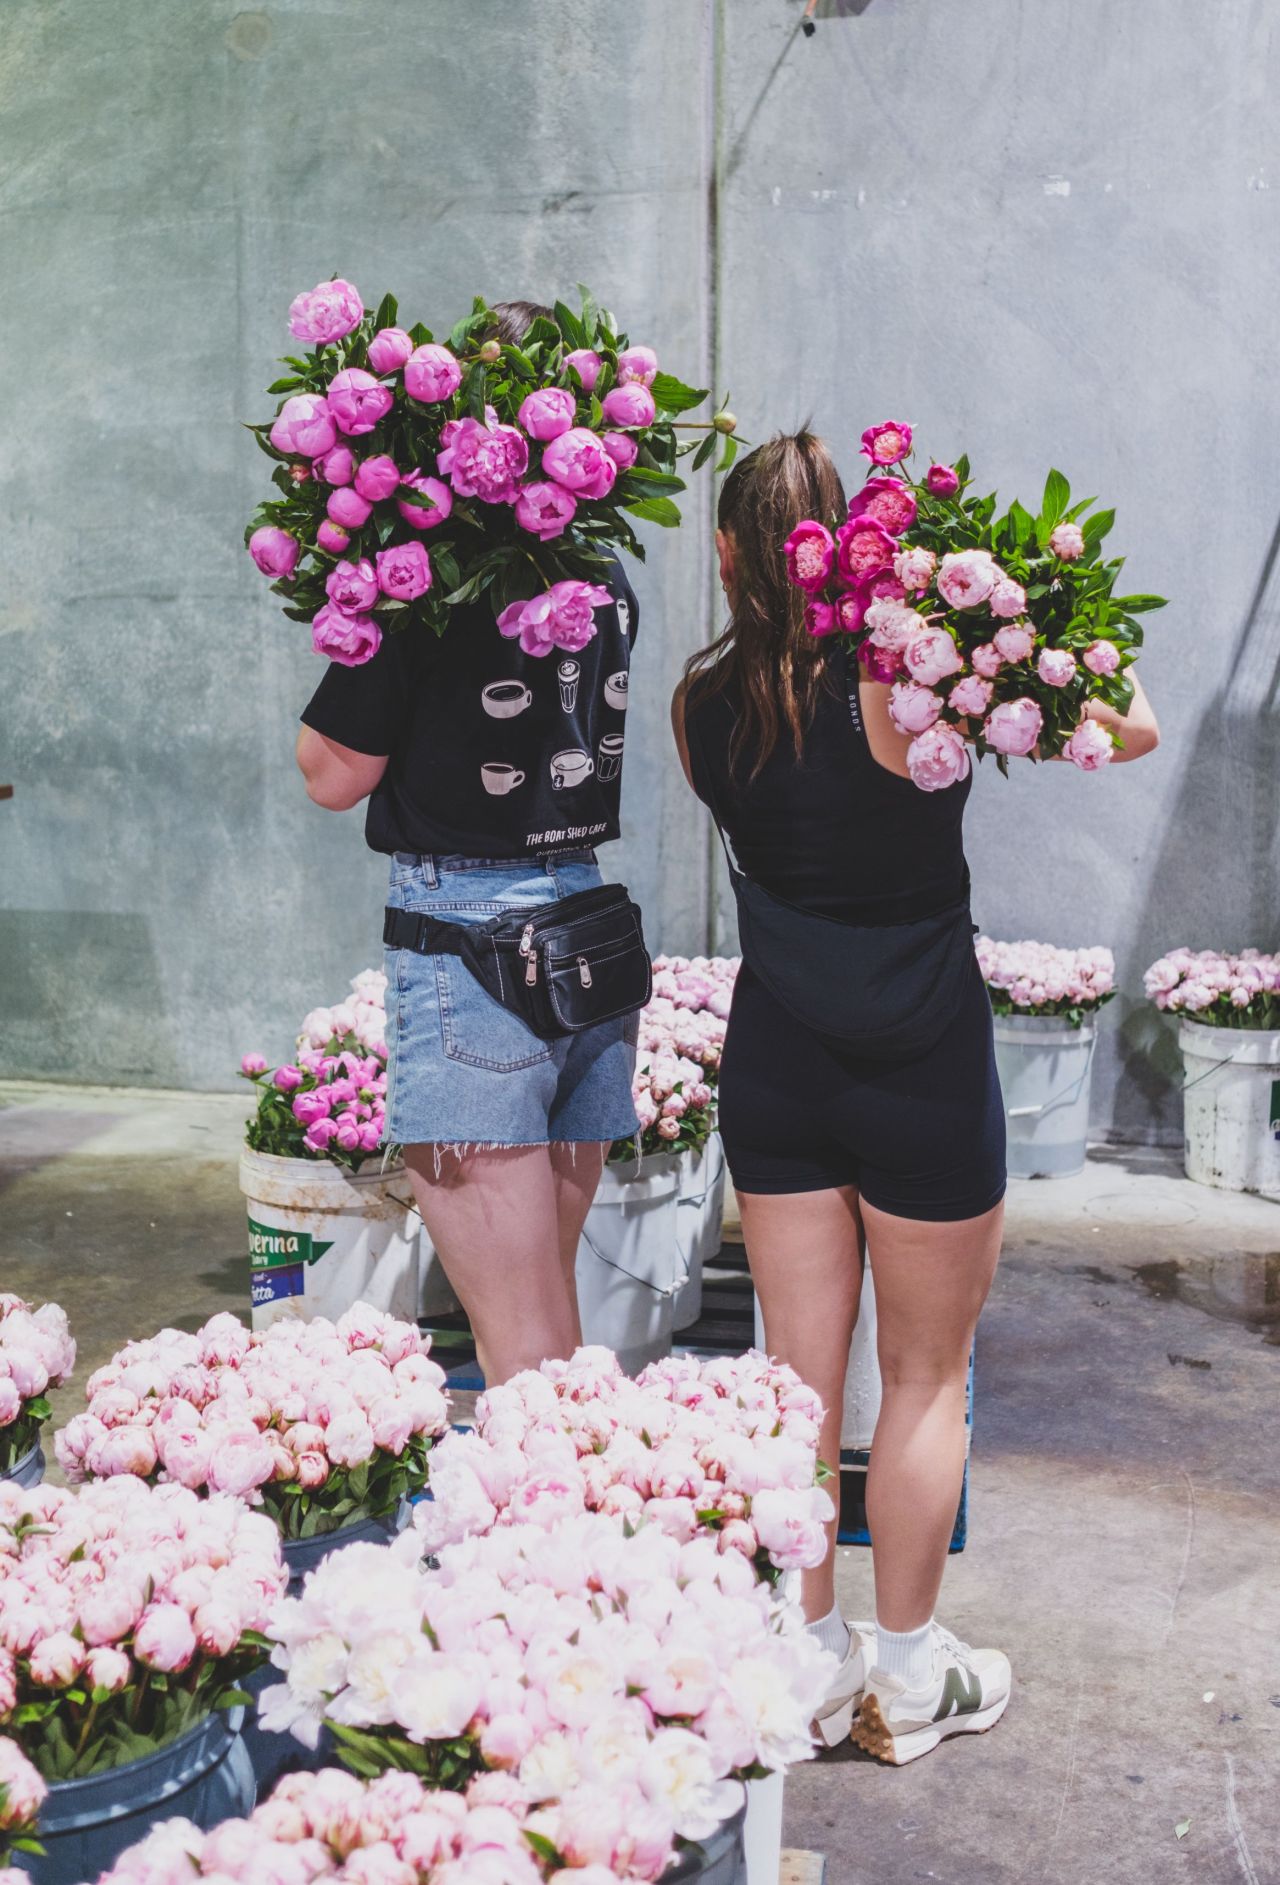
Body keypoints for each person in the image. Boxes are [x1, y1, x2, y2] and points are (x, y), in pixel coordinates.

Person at [671, 432, 1159, 1764]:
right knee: (926, 1377)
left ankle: (810, 1658)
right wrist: (1016, 597)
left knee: (795, 1380)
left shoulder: (697, 707)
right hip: (921, 1065)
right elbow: (1131, 724)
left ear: (727, 555)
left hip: (778, 1061)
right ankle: (905, 1668)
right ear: (859, 546)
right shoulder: (912, 686)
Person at [296, 302, 640, 1388]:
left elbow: (330, 773)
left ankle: (550, 1505)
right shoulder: (606, 571)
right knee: (551, 1323)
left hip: (472, 952)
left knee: (524, 1350)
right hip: (584, 937)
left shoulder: (428, 581)